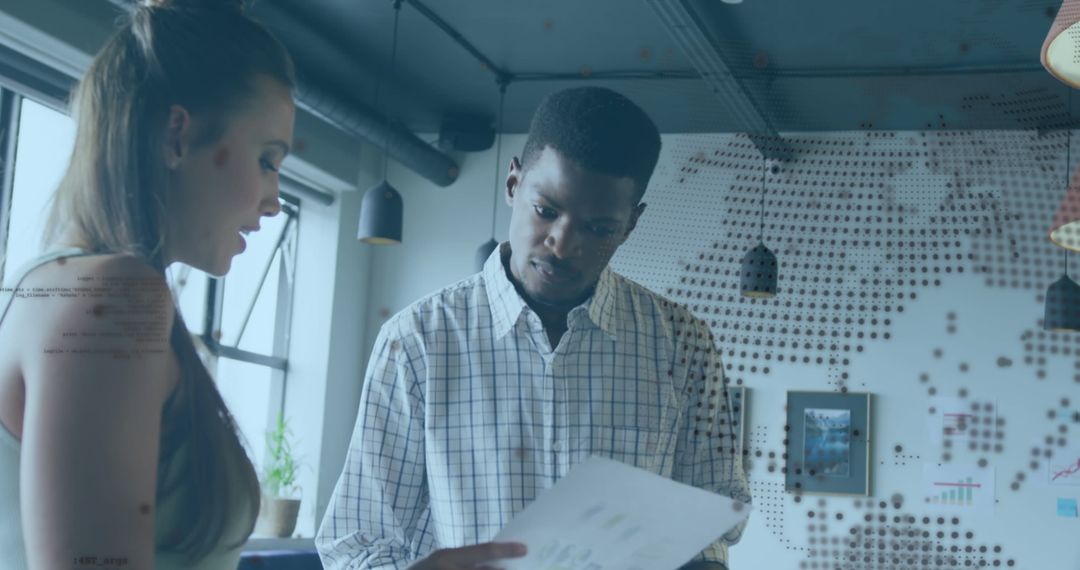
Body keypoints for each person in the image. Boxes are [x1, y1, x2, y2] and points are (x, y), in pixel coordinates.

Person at [316, 86, 752, 570]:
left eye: (599, 228)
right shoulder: (416, 342)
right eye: (546, 211)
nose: (562, 245)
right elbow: (356, 543)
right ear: (512, 184)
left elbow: (712, 530)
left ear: (631, 224)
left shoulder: (683, 344)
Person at [0, 0, 295, 568]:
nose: (275, 199)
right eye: (266, 159)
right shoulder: (112, 298)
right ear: (178, 137)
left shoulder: (53, 287)